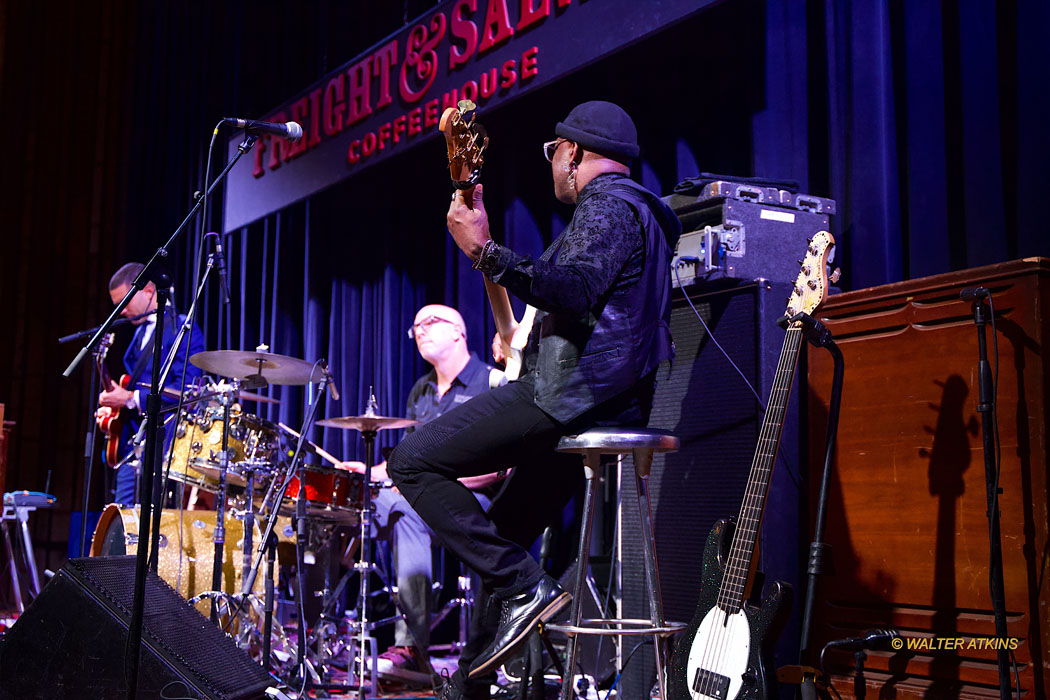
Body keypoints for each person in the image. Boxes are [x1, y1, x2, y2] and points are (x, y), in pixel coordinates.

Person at [387, 100, 682, 700]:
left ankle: (528, 591)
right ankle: (467, 686)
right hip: (604, 401)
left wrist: (485, 252)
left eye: (554, 155)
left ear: (573, 153)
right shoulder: (640, 216)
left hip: (572, 398)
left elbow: (571, 289)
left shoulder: (609, 205)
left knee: (411, 462)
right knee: (507, 531)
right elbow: (557, 311)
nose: (552, 167)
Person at [341, 303, 507, 686]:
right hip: (419, 494)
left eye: (431, 322)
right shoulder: (422, 391)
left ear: (458, 332)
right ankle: (318, 632)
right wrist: (367, 474)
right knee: (345, 505)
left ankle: (413, 647)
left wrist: (431, 483)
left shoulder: (490, 381)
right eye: (415, 325)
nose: (420, 330)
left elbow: (503, 467)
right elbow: (406, 461)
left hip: (473, 501)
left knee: (408, 510)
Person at [97, 262, 205, 505]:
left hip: (164, 447)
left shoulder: (182, 330)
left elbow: (186, 391)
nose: (121, 312)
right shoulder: (138, 334)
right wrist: (114, 408)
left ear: (147, 291)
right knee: (122, 525)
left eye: (123, 304)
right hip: (131, 448)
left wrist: (129, 399)